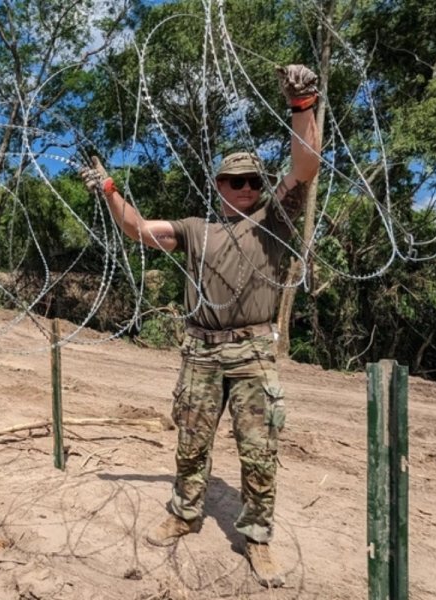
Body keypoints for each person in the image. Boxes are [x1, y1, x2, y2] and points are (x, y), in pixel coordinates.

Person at [79, 65, 321, 588]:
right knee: (190, 443)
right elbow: (139, 230)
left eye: (253, 180)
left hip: (253, 352)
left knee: (259, 450)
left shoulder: (275, 217)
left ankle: (257, 537)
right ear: (218, 185)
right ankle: (185, 514)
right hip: (201, 351)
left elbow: (305, 166)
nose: (245, 187)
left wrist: (303, 106)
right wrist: (108, 187)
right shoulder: (197, 229)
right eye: (235, 180)